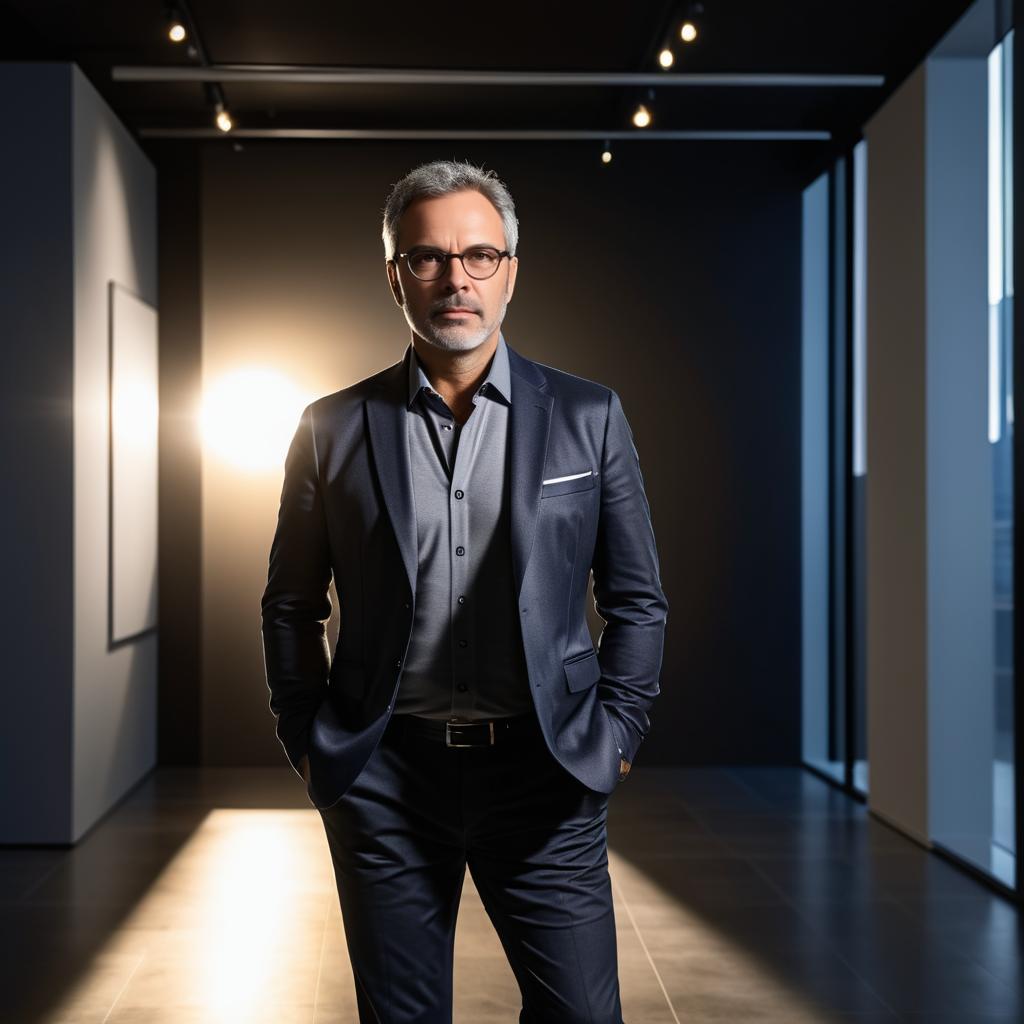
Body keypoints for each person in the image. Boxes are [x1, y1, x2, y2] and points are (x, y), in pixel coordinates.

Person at [260, 158, 668, 1023]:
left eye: (481, 255)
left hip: (545, 772)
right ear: (395, 276)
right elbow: (292, 603)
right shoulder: (332, 427)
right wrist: (308, 736)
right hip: (386, 773)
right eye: (428, 258)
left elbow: (636, 597)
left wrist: (619, 734)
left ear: (511, 272)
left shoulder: (588, 416)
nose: (456, 278)